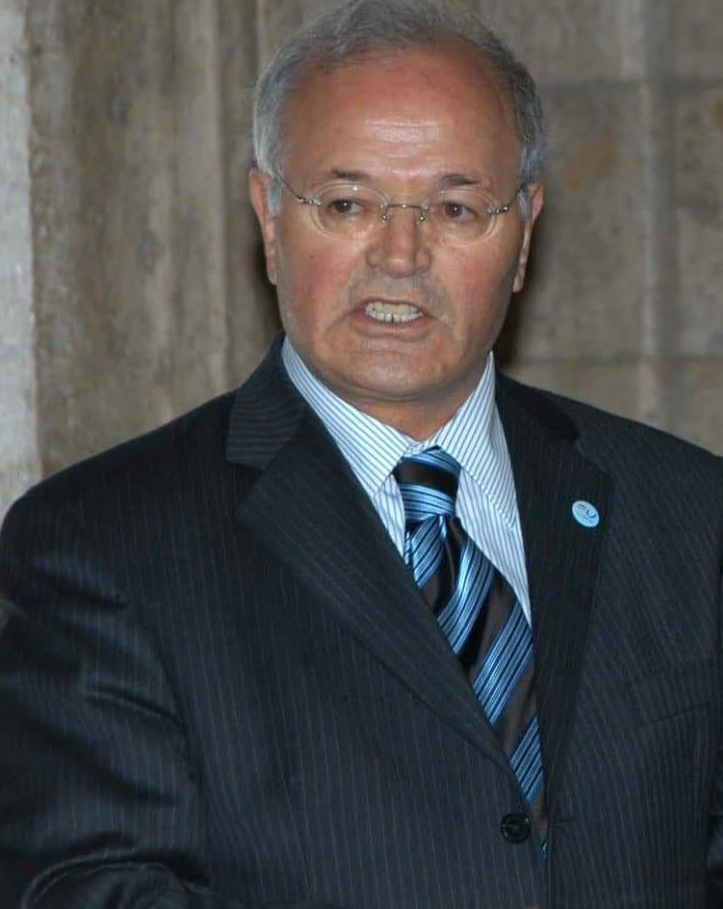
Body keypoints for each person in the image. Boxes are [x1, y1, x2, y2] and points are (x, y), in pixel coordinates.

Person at [0, 0, 721, 905]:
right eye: (346, 204)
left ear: (523, 234)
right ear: (269, 219)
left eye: (455, 208)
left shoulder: (687, 514)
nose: (400, 254)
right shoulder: (101, 544)